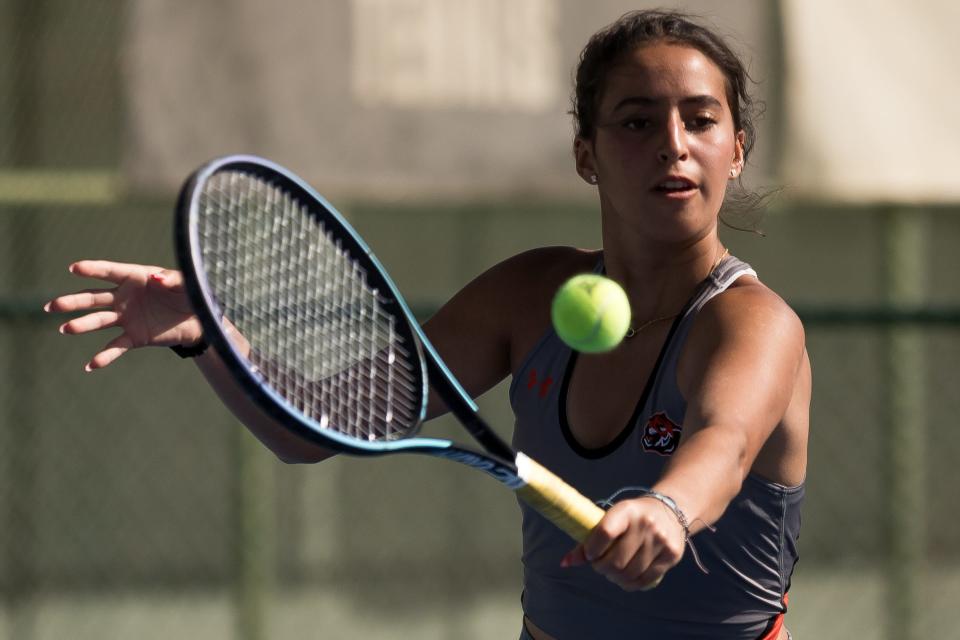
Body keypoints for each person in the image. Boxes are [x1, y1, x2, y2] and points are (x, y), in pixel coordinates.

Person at [46, 9, 807, 640]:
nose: (674, 144)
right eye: (637, 121)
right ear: (587, 155)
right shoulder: (527, 293)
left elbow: (724, 443)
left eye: (701, 121)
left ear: (735, 151)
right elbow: (311, 428)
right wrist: (208, 334)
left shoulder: (752, 324)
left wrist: (667, 510)